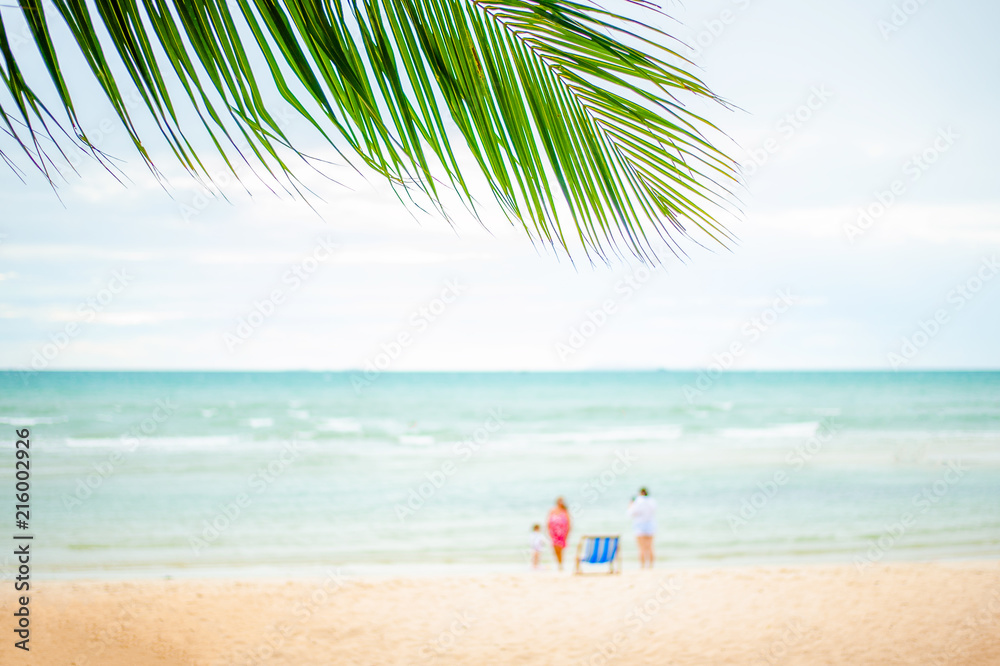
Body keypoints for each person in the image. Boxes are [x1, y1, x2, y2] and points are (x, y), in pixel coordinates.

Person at [627, 487, 656, 568]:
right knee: (650, 547)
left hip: (639, 525)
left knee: (641, 548)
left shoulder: (638, 501)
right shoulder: (652, 501)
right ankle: (651, 566)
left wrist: (630, 504)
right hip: (650, 524)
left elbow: (631, 513)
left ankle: (642, 566)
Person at [546, 497, 571, 570]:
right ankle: (559, 563)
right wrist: (549, 532)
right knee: (555, 549)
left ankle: (560, 564)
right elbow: (548, 522)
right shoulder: (552, 511)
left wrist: (567, 534)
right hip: (554, 533)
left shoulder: (565, 511)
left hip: (562, 533)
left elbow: (569, 523)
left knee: (560, 549)